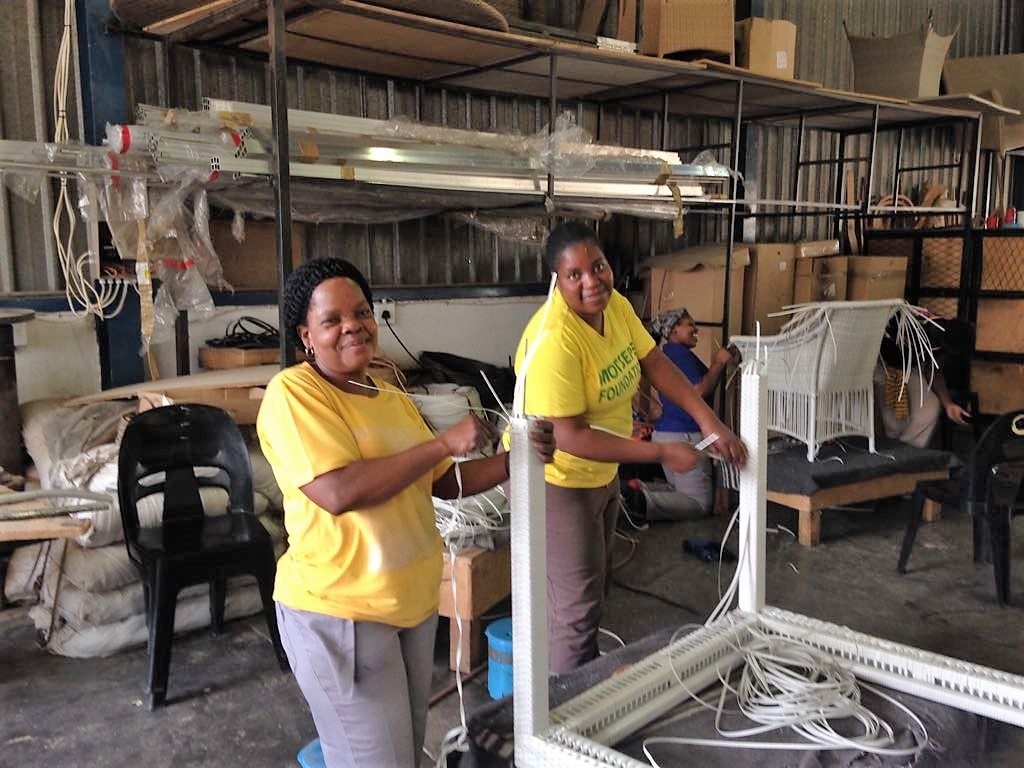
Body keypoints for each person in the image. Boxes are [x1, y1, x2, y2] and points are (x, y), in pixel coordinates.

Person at [256, 257, 554, 768]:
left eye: (361, 312)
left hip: (410, 607)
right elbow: (337, 491)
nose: (353, 326)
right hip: (342, 612)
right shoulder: (295, 394)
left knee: (406, 754)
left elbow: (440, 483)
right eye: (332, 320)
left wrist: (513, 459)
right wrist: (442, 443)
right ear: (306, 336)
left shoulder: (389, 394)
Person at [511, 221, 746, 675]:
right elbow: (571, 437)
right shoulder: (555, 341)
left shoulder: (615, 306)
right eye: (575, 274)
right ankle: (567, 704)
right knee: (576, 609)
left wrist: (709, 421)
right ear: (556, 281)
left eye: (598, 266)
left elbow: (654, 362)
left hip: (602, 473)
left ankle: (584, 679)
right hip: (556, 480)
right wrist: (662, 453)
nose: (592, 281)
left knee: (597, 589)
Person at [648, 309, 740, 516]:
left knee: (678, 492)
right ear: (674, 331)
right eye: (690, 325)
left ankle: (636, 491)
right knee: (698, 502)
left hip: (667, 434)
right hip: (684, 435)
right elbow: (697, 391)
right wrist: (719, 362)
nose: (695, 329)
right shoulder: (679, 354)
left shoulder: (668, 354)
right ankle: (637, 502)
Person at [873, 316, 971, 449]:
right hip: (880, 364)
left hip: (912, 368)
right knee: (894, 423)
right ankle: (889, 449)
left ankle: (908, 451)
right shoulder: (918, 324)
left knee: (929, 409)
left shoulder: (945, 342)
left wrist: (948, 405)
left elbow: (933, 370)